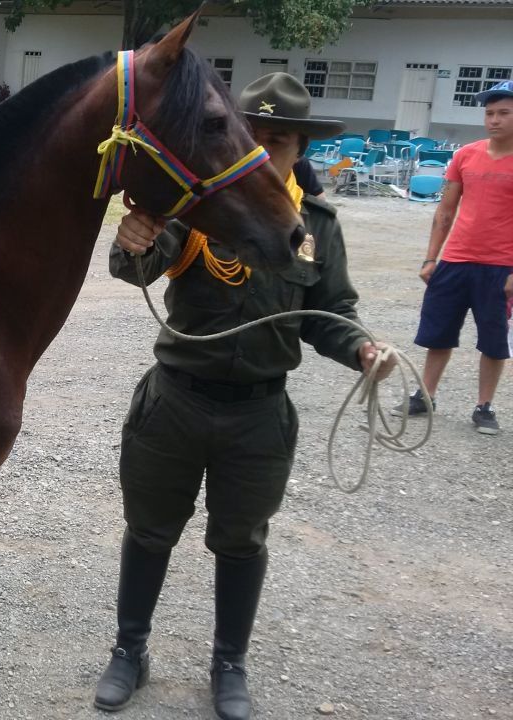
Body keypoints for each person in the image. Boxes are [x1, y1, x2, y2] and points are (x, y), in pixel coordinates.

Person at [94, 73, 394, 720]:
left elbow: (330, 314)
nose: (259, 148)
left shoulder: (314, 227)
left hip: (259, 415)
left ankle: (229, 664)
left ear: (300, 148)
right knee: (149, 531)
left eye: (276, 140)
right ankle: (129, 651)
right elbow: (135, 268)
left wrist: (363, 351)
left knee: (241, 541)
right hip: (174, 403)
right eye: (249, 135)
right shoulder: (198, 210)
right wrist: (133, 241)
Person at [395, 80, 513, 435]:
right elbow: (445, 211)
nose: (494, 120)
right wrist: (430, 259)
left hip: (500, 266)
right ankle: (425, 395)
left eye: (504, 113)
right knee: (438, 332)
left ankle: (484, 406)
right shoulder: (466, 155)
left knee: (494, 340)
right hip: (455, 261)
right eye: (489, 113)